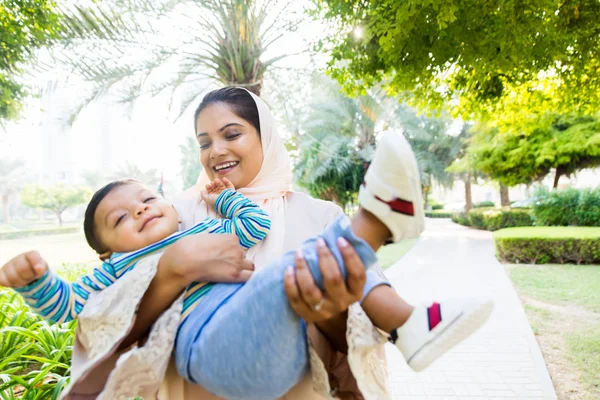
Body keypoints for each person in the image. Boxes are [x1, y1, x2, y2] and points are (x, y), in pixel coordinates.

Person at [0, 132, 492, 400]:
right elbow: (75, 308)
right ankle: (377, 224)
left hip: (286, 361)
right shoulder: (125, 262)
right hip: (208, 353)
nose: (142, 211)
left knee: (300, 260)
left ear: (267, 136)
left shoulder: (203, 222)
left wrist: (231, 204)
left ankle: (407, 320)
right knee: (287, 270)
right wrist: (36, 281)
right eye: (122, 218)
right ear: (108, 250)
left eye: (147, 199)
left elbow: (253, 230)